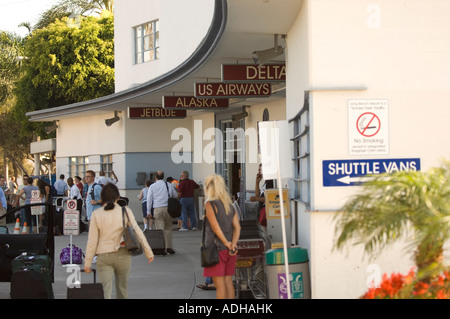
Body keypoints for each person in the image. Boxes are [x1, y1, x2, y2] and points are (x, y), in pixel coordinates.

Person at [84, 183, 154, 299]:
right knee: (122, 289)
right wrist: (148, 252)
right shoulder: (125, 211)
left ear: (103, 198)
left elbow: (92, 240)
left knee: (105, 290)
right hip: (123, 254)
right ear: (117, 197)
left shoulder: (96, 214)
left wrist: (88, 262)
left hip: (103, 256)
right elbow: (138, 231)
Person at [202, 174, 241, 299]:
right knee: (228, 282)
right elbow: (237, 227)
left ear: (208, 188)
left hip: (215, 249)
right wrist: (232, 244)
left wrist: (226, 242)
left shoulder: (210, 204)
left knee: (220, 285)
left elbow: (215, 227)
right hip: (229, 250)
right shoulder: (229, 205)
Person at [146, 171, 177, 255]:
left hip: (157, 208)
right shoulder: (168, 185)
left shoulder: (152, 186)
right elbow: (175, 195)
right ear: (163, 176)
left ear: (155, 177)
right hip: (168, 208)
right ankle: (169, 247)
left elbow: (149, 200)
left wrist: (148, 211)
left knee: (160, 229)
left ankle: (161, 247)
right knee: (168, 228)